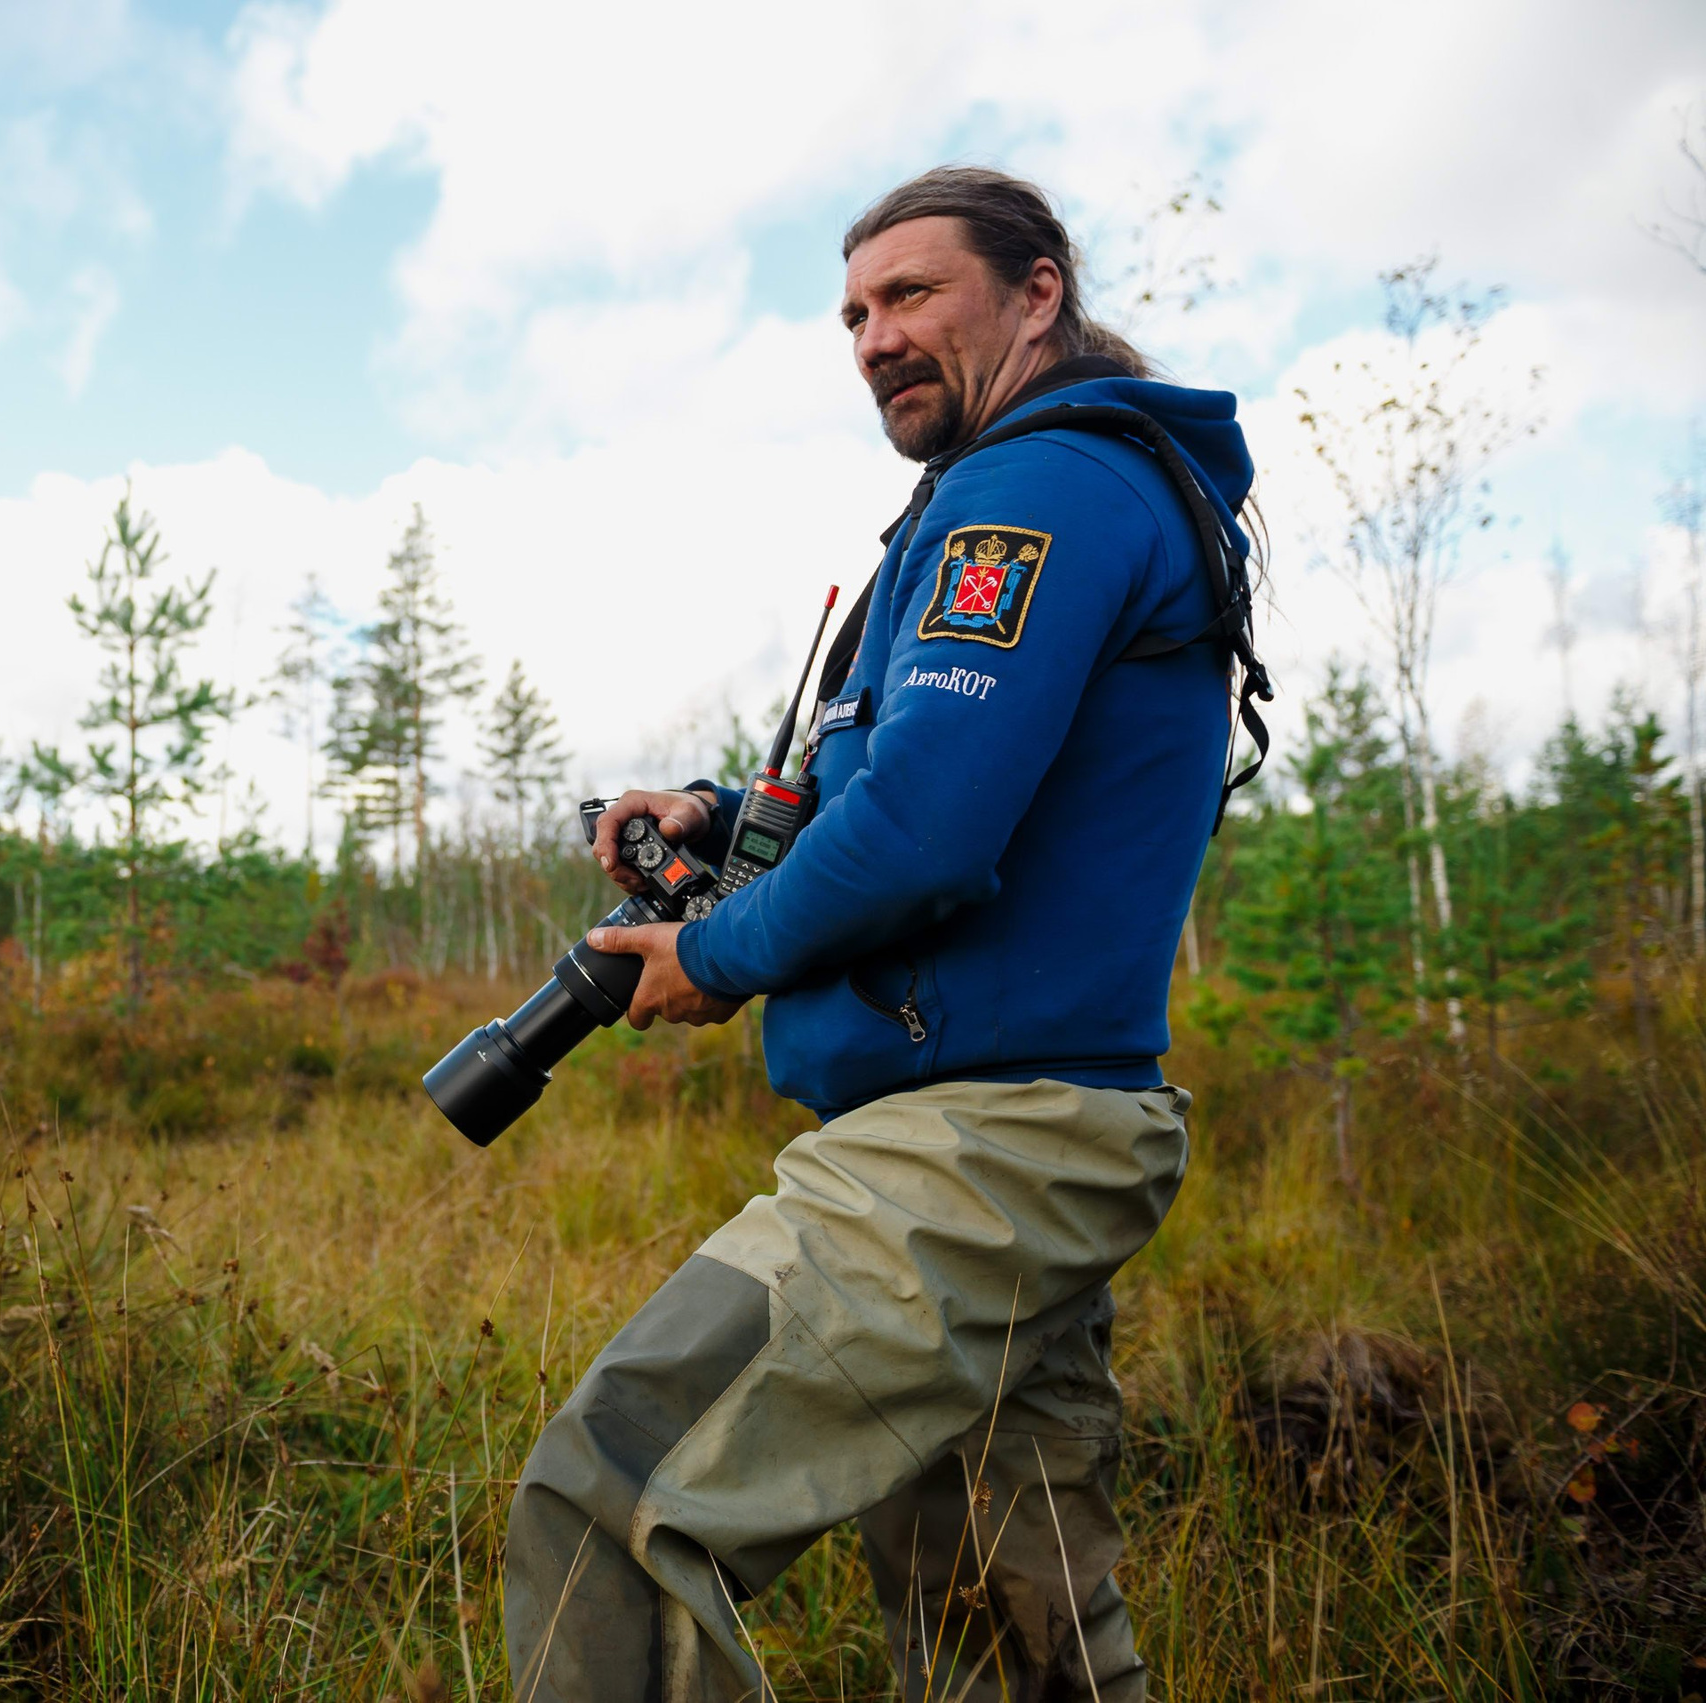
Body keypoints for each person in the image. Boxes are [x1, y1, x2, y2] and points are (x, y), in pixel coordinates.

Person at [501, 166, 1260, 1702]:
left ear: (1038, 288)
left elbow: (924, 832)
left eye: (912, 295)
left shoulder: (1038, 491)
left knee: (616, 1496)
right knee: (1005, 1608)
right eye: (854, 313)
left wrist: (708, 958)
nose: (872, 337)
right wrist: (729, 815)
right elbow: (920, 768)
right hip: (1033, 1129)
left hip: (976, 1151)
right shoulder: (1049, 489)